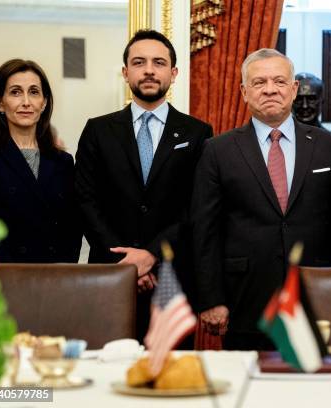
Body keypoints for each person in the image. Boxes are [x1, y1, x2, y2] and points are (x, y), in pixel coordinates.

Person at [192, 48, 331, 350]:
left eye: (279, 81)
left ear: (293, 89)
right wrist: (212, 299)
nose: (270, 89)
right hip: (245, 298)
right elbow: (205, 231)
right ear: (244, 92)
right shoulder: (217, 150)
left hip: (316, 297)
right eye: (259, 82)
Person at [75, 30, 213, 342]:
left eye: (159, 62)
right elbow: (85, 201)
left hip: (173, 280)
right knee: (105, 375)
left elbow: (197, 206)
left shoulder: (198, 132)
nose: (149, 70)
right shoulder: (98, 130)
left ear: (173, 73)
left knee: (172, 381)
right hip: (110, 276)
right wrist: (127, 264)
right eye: (139, 62)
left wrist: (151, 255)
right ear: (126, 72)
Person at [0, 59, 81, 262]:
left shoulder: (63, 162)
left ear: (43, 103)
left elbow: (73, 227)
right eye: (15, 92)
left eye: (34, 92)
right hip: (2, 277)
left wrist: (65, 270)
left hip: (55, 278)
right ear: (0, 103)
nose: (26, 102)